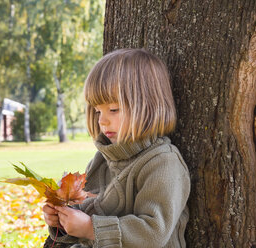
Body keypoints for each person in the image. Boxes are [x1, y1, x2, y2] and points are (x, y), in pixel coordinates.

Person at [43, 48, 191, 248]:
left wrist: (90, 228)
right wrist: (62, 220)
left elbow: (153, 233)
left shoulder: (163, 163)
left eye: (113, 110)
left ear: (148, 107)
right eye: (97, 111)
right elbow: (90, 210)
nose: (102, 121)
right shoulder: (101, 160)